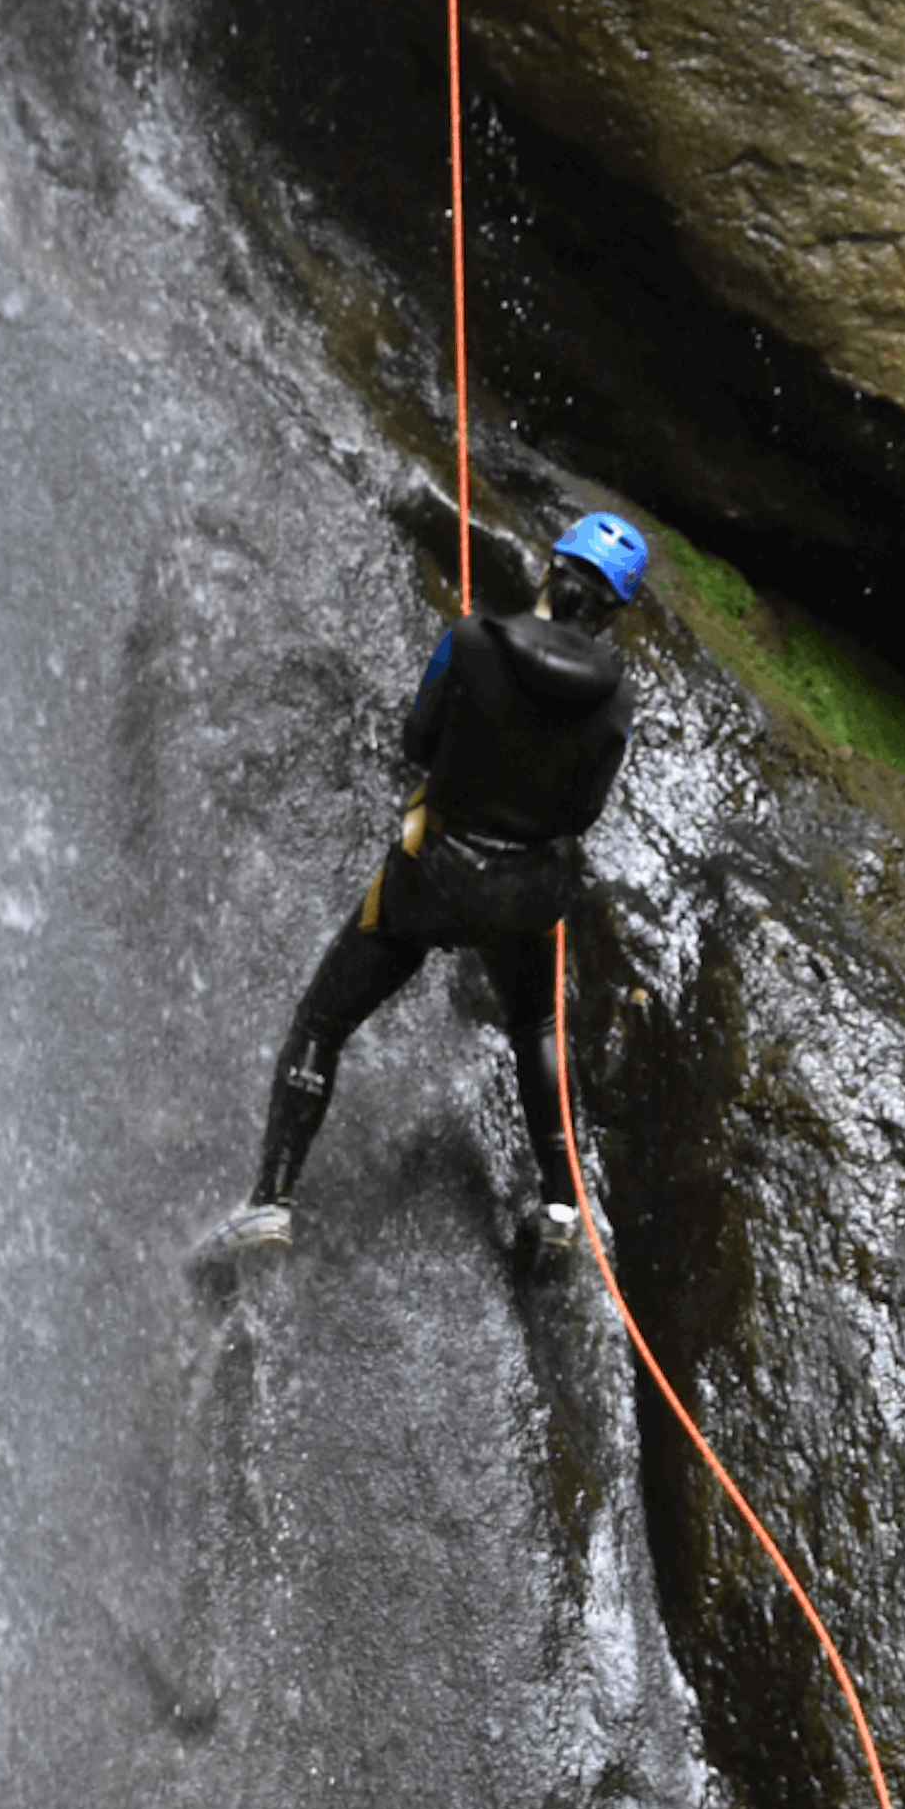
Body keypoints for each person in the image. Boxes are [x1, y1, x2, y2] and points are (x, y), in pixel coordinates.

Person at [196, 510, 650, 1268]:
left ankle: (270, 1203)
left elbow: (418, 741)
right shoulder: (617, 703)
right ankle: (561, 1209)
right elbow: (582, 812)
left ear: (551, 570)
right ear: (611, 612)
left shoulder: (471, 641)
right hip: (523, 898)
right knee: (535, 1028)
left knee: (325, 1017)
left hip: (430, 875)